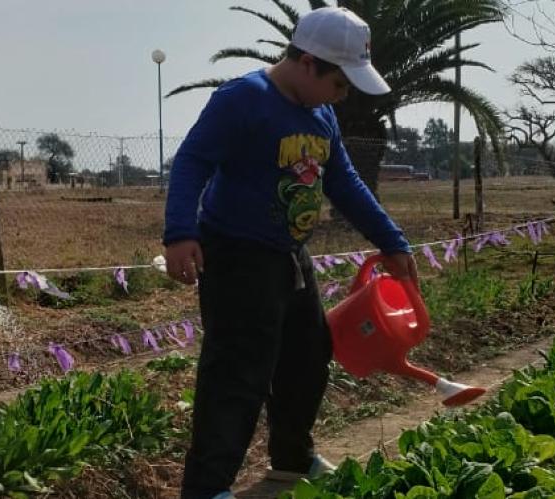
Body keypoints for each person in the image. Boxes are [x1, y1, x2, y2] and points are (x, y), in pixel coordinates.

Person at [163, 7, 419, 499]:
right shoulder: (243, 99)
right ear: (307, 63)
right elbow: (193, 160)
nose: (343, 96)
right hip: (237, 255)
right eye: (339, 84)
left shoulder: (322, 114)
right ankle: (207, 486)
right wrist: (179, 233)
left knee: (308, 355)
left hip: (289, 256)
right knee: (238, 370)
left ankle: (291, 459)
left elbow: (344, 182)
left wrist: (391, 240)